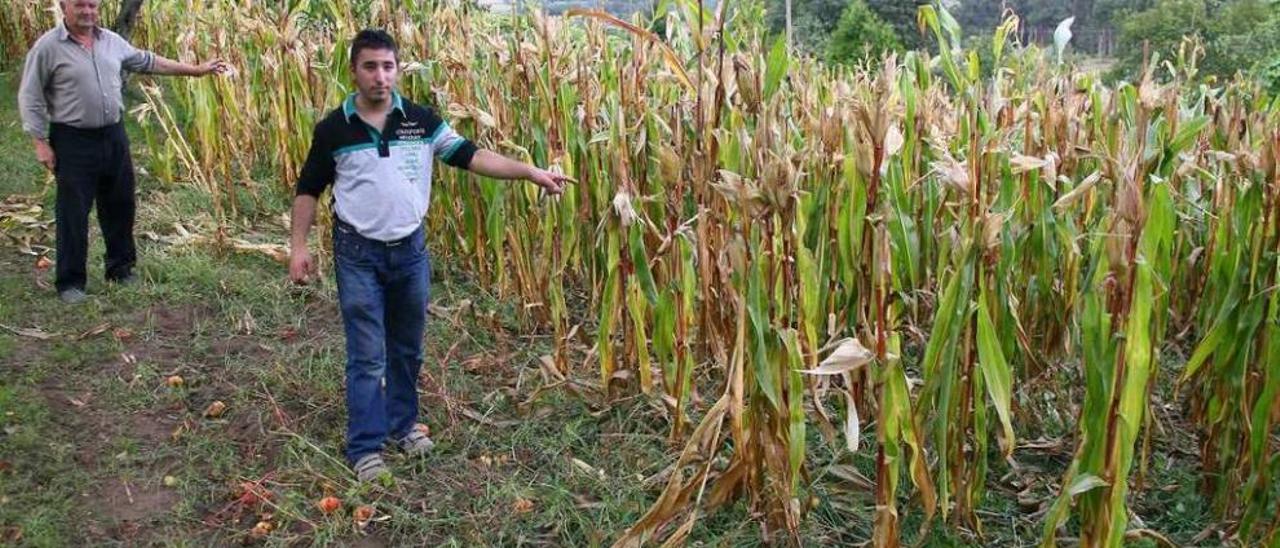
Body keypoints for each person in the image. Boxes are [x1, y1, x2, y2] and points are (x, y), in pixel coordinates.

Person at [288, 29, 571, 483]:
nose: (380, 76)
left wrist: (530, 172)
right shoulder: (333, 129)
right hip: (357, 253)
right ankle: (365, 447)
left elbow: (473, 156)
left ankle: (403, 428)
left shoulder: (420, 121)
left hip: (410, 252)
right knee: (367, 355)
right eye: (370, 66)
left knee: (407, 349)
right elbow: (308, 190)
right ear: (354, 71)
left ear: (397, 69)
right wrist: (299, 247)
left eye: (388, 66)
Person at [18, 0, 229, 304]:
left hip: (113, 135)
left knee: (120, 204)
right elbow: (31, 95)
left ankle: (121, 269)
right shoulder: (48, 47)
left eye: (93, 5)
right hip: (72, 139)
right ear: (64, 6)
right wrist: (40, 141)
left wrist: (195, 71)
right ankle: (70, 282)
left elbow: (148, 61)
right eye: (80, 5)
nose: (88, 11)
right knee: (73, 212)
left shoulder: (111, 41)